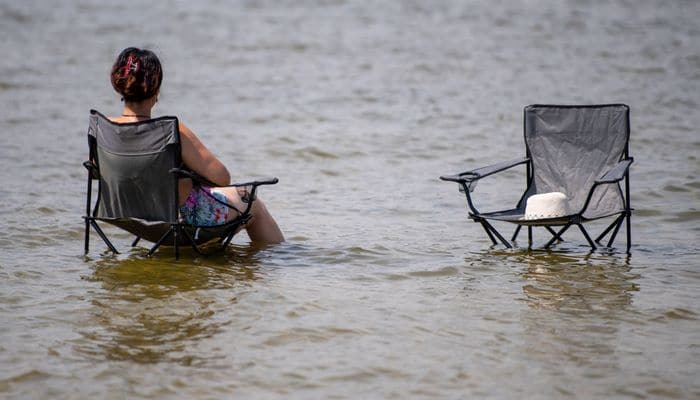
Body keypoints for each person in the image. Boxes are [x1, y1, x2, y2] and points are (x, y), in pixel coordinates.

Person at [108, 47, 284, 243]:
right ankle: (281, 262)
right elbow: (223, 177)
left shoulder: (104, 130)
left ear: (119, 83)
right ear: (156, 88)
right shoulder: (171, 132)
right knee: (250, 201)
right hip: (177, 222)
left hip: (128, 217)